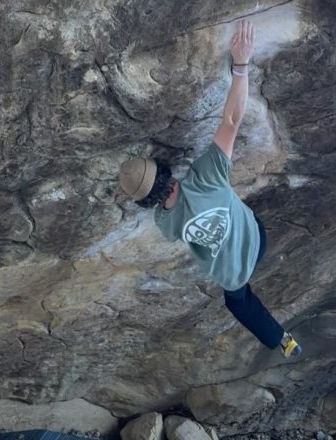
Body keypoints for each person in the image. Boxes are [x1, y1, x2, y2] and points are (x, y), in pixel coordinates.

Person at [119, 20, 301, 357]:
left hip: (233, 274)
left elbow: (171, 213)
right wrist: (242, 63)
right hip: (256, 241)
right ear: (163, 169)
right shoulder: (205, 177)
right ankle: (279, 337)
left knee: (238, 302)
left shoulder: (165, 224)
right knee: (239, 208)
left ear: (147, 203)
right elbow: (232, 121)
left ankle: (281, 340)